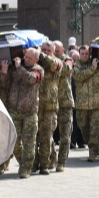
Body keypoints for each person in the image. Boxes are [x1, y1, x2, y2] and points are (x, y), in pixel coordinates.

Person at [0, 48, 43, 178]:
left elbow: (31, 79)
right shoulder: (16, 68)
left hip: (30, 112)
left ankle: (26, 168)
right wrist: (4, 73)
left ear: (36, 59)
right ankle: (25, 162)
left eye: (30, 58)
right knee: (15, 142)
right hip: (14, 110)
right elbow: (6, 85)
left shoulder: (38, 70)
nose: (26, 59)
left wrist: (19, 68)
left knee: (29, 142)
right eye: (26, 57)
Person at [35, 41, 63, 174]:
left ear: (53, 52)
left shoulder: (57, 62)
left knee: (46, 135)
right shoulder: (36, 63)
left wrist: (39, 54)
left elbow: (52, 64)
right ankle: (43, 159)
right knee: (36, 135)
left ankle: (44, 164)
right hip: (36, 104)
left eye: (48, 51)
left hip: (50, 105)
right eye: (43, 50)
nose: (45, 53)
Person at [73, 46, 99, 162]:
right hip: (82, 104)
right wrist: (92, 68)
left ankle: (93, 152)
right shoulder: (76, 66)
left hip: (96, 104)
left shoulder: (96, 64)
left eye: (87, 54)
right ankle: (94, 144)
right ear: (79, 54)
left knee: (94, 129)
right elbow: (79, 77)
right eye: (82, 54)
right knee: (84, 128)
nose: (85, 56)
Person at [53, 41, 75, 171]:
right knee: (46, 134)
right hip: (50, 102)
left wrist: (53, 62)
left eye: (57, 50)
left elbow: (67, 69)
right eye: (53, 50)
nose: (55, 53)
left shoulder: (68, 60)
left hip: (65, 102)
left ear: (62, 50)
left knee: (65, 134)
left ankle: (62, 161)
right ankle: (51, 157)